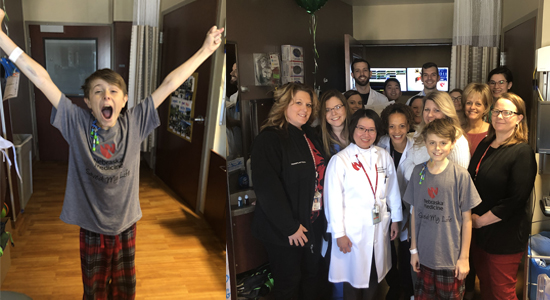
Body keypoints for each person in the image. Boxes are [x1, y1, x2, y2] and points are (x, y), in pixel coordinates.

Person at [0, 8, 224, 298]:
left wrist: (206, 51)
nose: (106, 96)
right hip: (91, 227)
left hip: (126, 226)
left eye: (114, 91)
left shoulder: (136, 121)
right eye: (98, 92)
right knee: (93, 290)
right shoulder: (75, 122)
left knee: (124, 289)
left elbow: (170, 84)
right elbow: (40, 78)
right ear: (88, 103)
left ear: (125, 100)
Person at [251, 83, 327, 300]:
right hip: (285, 232)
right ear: (284, 104)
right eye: (298, 103)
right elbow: (267, 188)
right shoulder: (270, 139)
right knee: (289, 284)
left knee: (312, 276)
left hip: (310, 224)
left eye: (309, 105)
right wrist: (290, 227)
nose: (305, 109)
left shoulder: (309, 134)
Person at [324, 109, 402, 300]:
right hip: (352, 233)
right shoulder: (340, 160)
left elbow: (392, 190)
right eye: (361, 129)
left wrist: (396, 219)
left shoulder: (383, 156)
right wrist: (339, 233)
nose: (366, 135)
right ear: (353, 130)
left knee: (375, 275)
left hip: (379, 227)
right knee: (354, 280)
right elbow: (332, 200)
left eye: (371, 130)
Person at [468, 93, 536, 300]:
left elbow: (515, 200)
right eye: (496, 111)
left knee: (502, 292)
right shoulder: (485, 144)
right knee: (486, 286)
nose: (499, 116)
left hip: (504, 235)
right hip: (480, 234)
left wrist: (480, 221)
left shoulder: (522, 152)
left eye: (507, 112)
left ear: (519, 118)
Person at [405, 118, 482, 300]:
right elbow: (415, 213)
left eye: (443, 143)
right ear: (425, 143)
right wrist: (413, 250)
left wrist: (464, 258)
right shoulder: (418, 172)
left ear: (452, 144)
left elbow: (467, 220)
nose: (437, 148)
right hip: (423, 258)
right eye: (432, 142)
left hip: (451, 261)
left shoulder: (461, 176)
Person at [378, 103, 417, 300]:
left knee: (406, 249)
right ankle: (393, 285)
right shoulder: (380, 145)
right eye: (392, 126)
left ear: (409, 125)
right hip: (385, 208)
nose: (397, 131)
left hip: (409, 207)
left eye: (402, 126)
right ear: (386, 127)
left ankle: (408, 289)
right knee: (386, 249)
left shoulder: (417, 147)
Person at [318, 89, 352, 300]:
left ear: (345, 108)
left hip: (359, 212)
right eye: (328, 109)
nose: (333, 113)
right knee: (337, 262)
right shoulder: (318, 141)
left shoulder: (360, 133)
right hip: (331, 211)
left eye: (337, 107)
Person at [402, 91, 471, 183]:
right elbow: (408, 163)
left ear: (446, 112)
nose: (430, 115)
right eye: (427, 109)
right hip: (417, 190)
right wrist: (420, 179)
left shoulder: (457, 139)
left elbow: (459, 177)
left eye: (436, 110)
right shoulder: (419, 132)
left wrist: (424, 180)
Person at [461, 83, 492, 156]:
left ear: (486, 107)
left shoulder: (492, 132)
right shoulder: (458, 131)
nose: (472, 107)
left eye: (478, 104)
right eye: (469, 103)